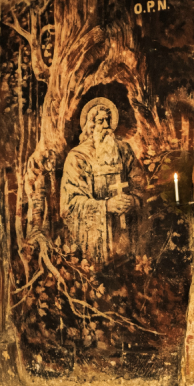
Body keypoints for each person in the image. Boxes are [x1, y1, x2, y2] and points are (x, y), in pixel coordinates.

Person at [60, 97, 145, 264]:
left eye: (108, 120)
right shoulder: (77, 157)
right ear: (90, 126)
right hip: (93, 241)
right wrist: (105, 206)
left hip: (125, 236)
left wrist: (133, 201)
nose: (106, 126)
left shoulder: (124, 150)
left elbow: (139, 185)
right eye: (100, 121)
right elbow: (69, 205)